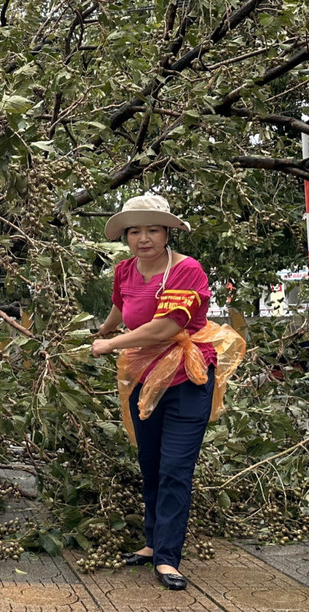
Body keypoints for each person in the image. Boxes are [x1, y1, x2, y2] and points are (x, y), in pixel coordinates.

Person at [91, 195, 244, 591]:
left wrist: (111, 346)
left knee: (176, 466)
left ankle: (167, 558)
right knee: (151, 461)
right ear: (125, 236)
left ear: (167, 232)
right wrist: (101, 331)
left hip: (186, 377)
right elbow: (120, 307)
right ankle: (152, 542)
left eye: (153, 229)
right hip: (144, 376)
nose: (144, 238)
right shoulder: (124, 269)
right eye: (135, 231)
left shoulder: (186, 270)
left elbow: (166, 327)